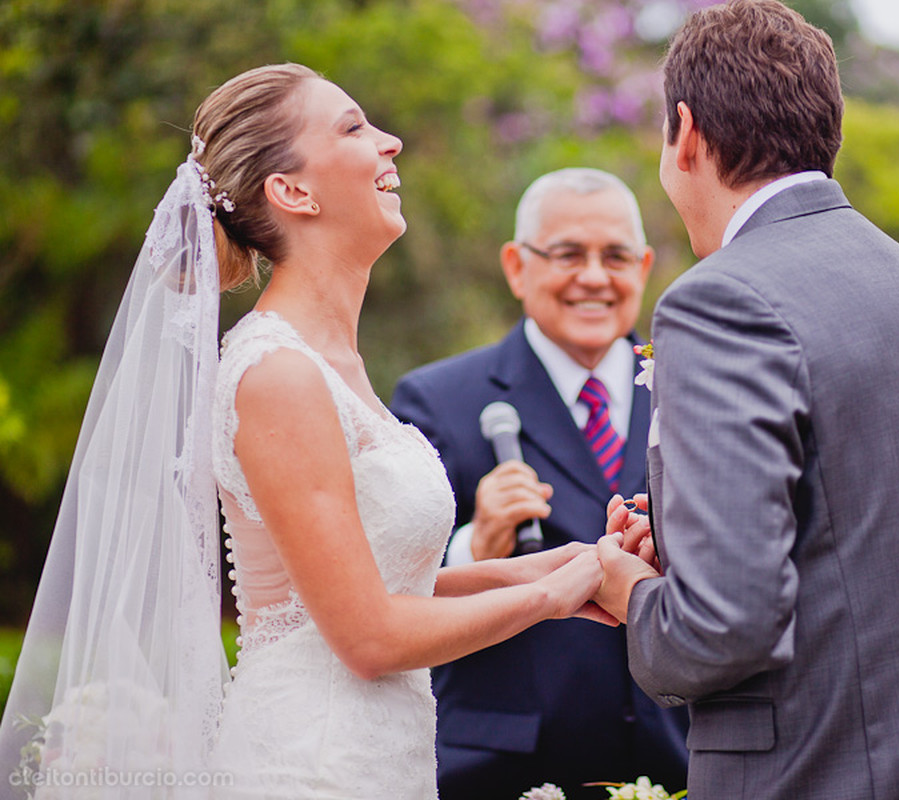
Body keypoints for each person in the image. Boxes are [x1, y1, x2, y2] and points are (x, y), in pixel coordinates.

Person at [0, 64, 609, 800]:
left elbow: (383, 586)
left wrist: (570, 567)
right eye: (354, 128)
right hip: (310, 768)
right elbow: (367, 636)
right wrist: (551, 599)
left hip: (378, 761)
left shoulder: (334, 365)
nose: (393, 142)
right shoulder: (278, 374)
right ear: (292, 191)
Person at [593, 2, 899, 799]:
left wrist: (627, 590)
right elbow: (863, 538)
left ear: (687, 133)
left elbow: (724, 629)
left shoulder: (720, 301)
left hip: (824, 772)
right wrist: (691, 549)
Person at [389, 168, 688, 800]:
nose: (594, 277)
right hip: (505, 770)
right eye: (568, 254)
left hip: (678, 758)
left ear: (643, 267)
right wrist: (476, 543)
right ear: (517, 266)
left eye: (615, 256)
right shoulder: (439, 399)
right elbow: (390, 588)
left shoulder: (694, 391)